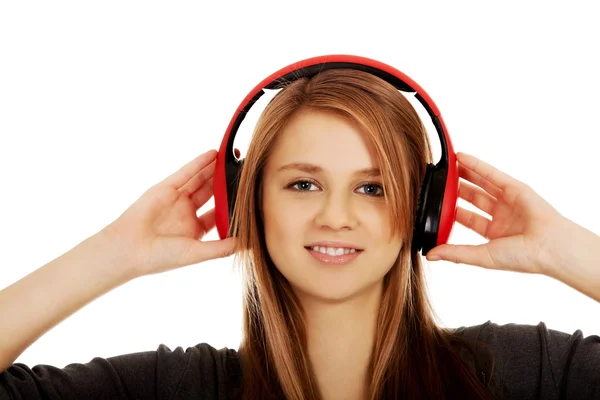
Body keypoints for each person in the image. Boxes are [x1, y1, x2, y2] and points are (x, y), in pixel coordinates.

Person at [0, 68, 599, 400]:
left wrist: (563, 251)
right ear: (247, 204)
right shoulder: (177, 389)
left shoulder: (523, 371)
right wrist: (113, 256)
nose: (335, 216)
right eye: (303, 185)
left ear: (425, 209)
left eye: (374, 188)